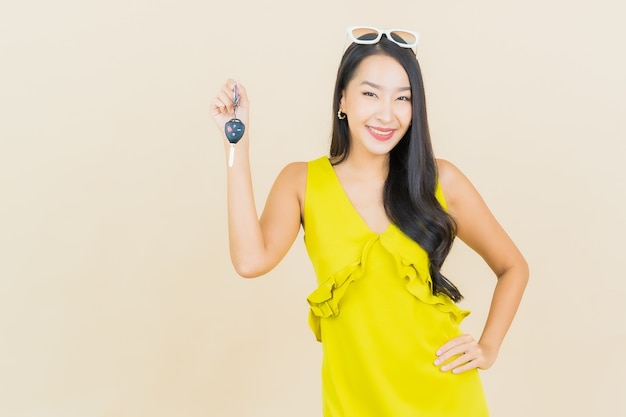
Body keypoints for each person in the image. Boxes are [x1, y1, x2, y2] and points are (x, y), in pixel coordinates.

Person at [211, 27, 529, 417]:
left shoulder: (440, 181)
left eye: (403, 98)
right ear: (342, 99)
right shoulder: (302, 181)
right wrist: (235, 145)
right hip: (353, 401)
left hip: (445, 397)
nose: (386, 113)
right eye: (370, 93)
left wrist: (488, 346)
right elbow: (250, 261)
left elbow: (513, 267)